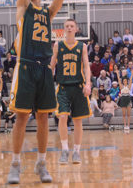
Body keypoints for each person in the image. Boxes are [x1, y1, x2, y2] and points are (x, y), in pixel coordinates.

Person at [7, 0, 65, 185]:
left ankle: (41, 162)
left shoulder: (48, 13)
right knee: (21, 118)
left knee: (43, 118)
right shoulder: (23, 9)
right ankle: (15, 164)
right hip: (26, 66)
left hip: (44, 69)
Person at [50, 18, 92, 164]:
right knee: (62, 117)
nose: (69, 28)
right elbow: (52, 66)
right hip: (62, 87)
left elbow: (86, 66)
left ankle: (76, 152)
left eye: (71, 26)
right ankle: (64, 150)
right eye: (66, 26)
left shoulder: (82, 46)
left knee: (78, 121)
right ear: (63, 29)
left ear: (76, 29)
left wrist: (88, 84)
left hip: (78, 87)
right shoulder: (58, 45)